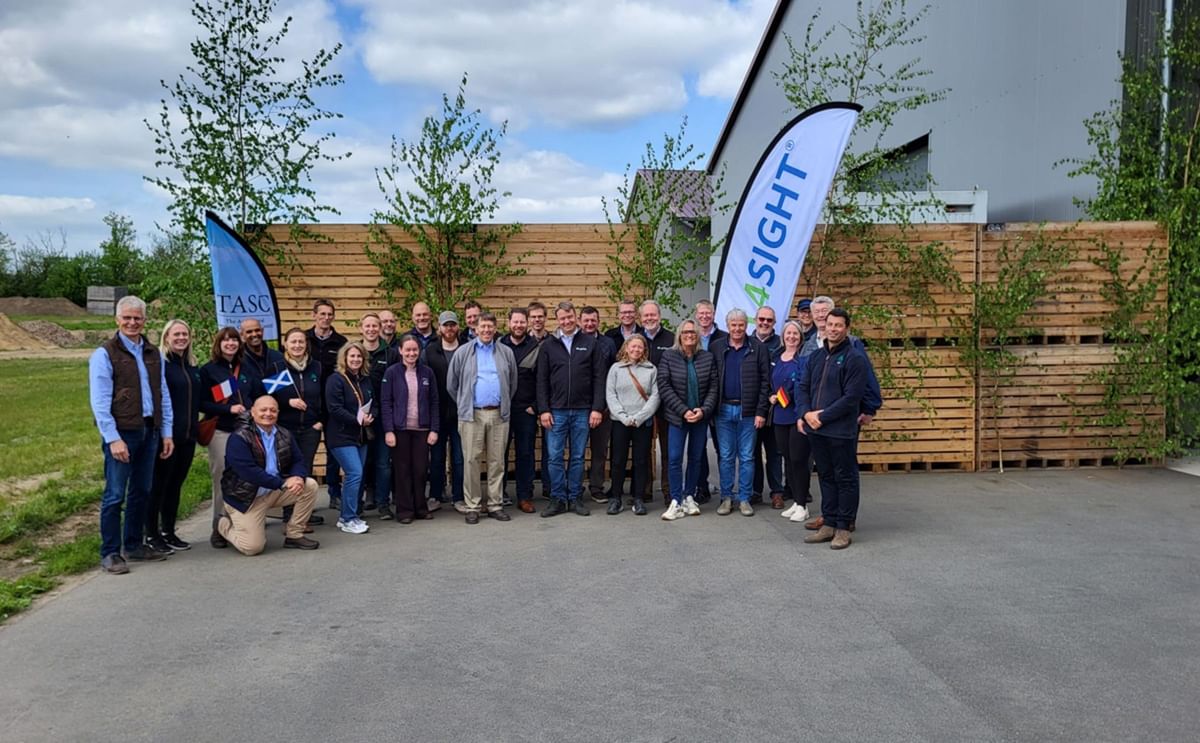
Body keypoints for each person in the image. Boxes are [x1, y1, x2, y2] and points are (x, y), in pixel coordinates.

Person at [89, 295, 175, 573]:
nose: (132, 322)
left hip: (149, 431)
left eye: (137, 318)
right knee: (115, 494)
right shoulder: (105, 354)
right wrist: (112, 438)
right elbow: (100, 402)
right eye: (127, 317)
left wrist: (166, 433)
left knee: (142, 490)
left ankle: (134, 545)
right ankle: (111, 553)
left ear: (144, 320)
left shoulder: (153, 354)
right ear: (117, 319)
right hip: (122, 434)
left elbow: (162, 395)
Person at [798, 309, 869, 550]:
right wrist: (806, 413)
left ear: (847, 328)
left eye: (839, 325)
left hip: (840, 430)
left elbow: (852, 398)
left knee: (845, 478)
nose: (834, 329)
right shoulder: (816, 357)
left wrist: (823, 417)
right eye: (830, 324)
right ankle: (828, 523)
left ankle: (843, 527)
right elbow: (803, 387)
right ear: (824, 327)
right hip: (817, 430)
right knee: (826, 477)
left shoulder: (855, 358)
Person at [215, 395, 319, 554]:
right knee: (252, 548)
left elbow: (298, 460)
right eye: (263, 410)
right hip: (245, 497)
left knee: (309, 485)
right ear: (253, 412)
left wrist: (297, 477)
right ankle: (222, 524)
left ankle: (294, 534)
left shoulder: (284, 434)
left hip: (272, 491)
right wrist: (283, 483)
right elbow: (247, 471)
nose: (268, 414)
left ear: (278, 413)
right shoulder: (239, 437)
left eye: (273, 410)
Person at [537, 301, 606, 517]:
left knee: (577, 456)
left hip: (583, 410)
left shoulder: (590, 342)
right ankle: (557, 498)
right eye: (562, 318)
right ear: (557, 320)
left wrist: (597, 408)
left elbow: (599, 378)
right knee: (555, 456)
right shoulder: (548, 345)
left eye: (570, 317)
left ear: (575, 317)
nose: (566, 321)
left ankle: (575, 497)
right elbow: (541, 380)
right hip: (555, 411)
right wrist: (544, 410)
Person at [448, 312, 518, 523]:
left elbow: (512, 383)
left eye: (490, 327)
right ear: (475, 329)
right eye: (483, 327)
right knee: (471, 460)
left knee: (497, 461)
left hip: (498, 413)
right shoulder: (463, 352)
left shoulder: (505, 352)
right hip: (472, 414)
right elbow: (452, 384)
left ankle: (495, 504)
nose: (486, 330)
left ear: (495, 329)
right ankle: (473, 505)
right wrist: (465, 402)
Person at [201, 326, 260, 548]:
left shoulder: (246, 369)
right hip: (222, 430)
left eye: (234, 340)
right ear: (219, 344)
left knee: (245, 477)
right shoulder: (208, 371)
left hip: (246, 431)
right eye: (226, 341)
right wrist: (228, 409)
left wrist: (254, 408)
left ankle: (240, 524)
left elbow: (256, 393)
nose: (230, 344)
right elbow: (202, 403)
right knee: (222, 478)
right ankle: (218, 526)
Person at [145, 318, 200, 554]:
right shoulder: (161, 364)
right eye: (176, 335)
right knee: (159, 485)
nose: (180, 338)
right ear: (166, 337)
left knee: (175, 485)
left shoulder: (192, 366)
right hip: (167, 437)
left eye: (184, 335)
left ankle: (168, 530)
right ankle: (151, 534)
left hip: (188, 437)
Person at [709, 308, 770, 517]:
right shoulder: (717, 347)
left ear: (747, 325)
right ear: (727, 326)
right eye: (733, 325)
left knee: (746, 457)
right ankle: (726, 498)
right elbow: (712, 378)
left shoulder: (758, 348)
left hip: (749, 411)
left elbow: (765, 382)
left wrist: (761, 411)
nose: (737, 328)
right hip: (723, 410)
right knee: (725, 456)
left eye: (741, 325)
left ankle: (744, 498)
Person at [656, 318, 719, 521]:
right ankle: (676, 499)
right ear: (679, 335)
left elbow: (713, 388)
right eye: (685, 332)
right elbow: (664, 386)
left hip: (700, 417)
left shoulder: (707, 358)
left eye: (693, 332)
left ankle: (690, 496)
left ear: (698, 335)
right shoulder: (669, 356)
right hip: (677, 417)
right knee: (674, 458)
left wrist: (703, 410)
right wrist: (683, 411)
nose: (689, 335)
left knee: (696, 458)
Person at [381, 334, 439, 523]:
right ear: (400, 351)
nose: (411, 353)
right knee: (402, 470)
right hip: (400, 430)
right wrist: (389, 430)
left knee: (421, 470)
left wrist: (434, 429)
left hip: (422, 430)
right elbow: (386, 402)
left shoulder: (427, 373)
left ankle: (420, 508)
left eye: (414, 349)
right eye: (408, 350)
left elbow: (434, 402)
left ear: (419, 351)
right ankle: (404, 511)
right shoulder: (392, 372)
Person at [273, 326, 325, 530]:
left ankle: (304, 513)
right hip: (286, 428)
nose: (297, 345)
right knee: (288, 470)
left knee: (306, 469)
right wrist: (288, 403)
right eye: (293, 341)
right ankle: (289, 515)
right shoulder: (278, 368)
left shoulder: (317, 368)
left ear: (306, 345)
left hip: (310, 428)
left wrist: (320, 420)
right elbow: (270, 398)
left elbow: (323, 396)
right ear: (286, 344)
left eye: (301, 342)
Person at [605, 335, 660, 515]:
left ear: (644, 350)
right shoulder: (616, 369)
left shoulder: (651, 369)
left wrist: (639, 417)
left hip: (642, 423)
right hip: (620, 422)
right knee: (618, 461)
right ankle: (616, 497)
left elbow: (655, 397)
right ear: (626, 348)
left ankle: (638, 498)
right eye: (633, 347)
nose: (636, 350)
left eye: (640, 347)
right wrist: (623, 416)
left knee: (641, 461)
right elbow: (610, 395)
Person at [325, 341, 374, 534]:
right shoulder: (336, 380)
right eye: (352, 356)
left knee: (356, 476)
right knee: (354, 473)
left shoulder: (365, 380)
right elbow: (334, 408)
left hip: (360, 436)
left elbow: (373, 402)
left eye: (359, 356)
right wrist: (358, 420)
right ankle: (348, 518)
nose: (355, 359)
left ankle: (348, 515)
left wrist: (372, 416)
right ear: (344, 358)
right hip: (341, 436)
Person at [306, 299, 347, 511]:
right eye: (322, 314)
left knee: (333, 452)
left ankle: (334, 492)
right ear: (314, 315)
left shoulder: (341, 342)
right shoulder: (304, 339)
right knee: (306, 453)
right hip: (309, 406)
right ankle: (304, 498)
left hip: (332, 406)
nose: (326, 318)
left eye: (329, 314)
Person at [771, 321, 813, 523]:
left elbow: (804, 387)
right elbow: (771, 384)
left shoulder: (803, 360)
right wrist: (772, 396)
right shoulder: (775, 358)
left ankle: (803, 503)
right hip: (779, 416)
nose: (792, 337)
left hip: (797, 416)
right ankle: (796, 501)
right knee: (787, 459)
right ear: (783, 335)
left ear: (800, 336)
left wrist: (801, 414)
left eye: (795, 333)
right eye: (788, 333)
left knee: (799, 460)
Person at [423, 311, 465, 512]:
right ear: (439, 328)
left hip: (460, 413)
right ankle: (435, 495)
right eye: (445, 325)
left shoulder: (466, 350)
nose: (449, 329)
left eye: (453, 325)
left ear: (457, 327)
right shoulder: (430, 351)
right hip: (437, 414)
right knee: (437, 458)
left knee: (459, 457)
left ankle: (459, 496)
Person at [500, 307, 540, 513]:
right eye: (515, 322)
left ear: (527, 323)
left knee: (525, 453)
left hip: (526, 410)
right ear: (508, 323)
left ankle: (524, 496)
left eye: (522, 322)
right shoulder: (498, 345)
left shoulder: (536, 347)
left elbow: (542, 379)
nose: (518, 325)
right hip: (502, 410)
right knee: (500, 453)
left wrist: (536, 406)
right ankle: (500, 494)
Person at [361, 312, 398, 517]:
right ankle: (369, 495)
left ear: (380, 328)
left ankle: (384, 502)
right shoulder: (355, 351)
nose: (372, 330)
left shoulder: (390, 353)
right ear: (361, 328)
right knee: (365, 459)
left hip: (384, 416)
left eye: (375, 326)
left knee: (384, 461)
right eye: (368, 326)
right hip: (362, 416)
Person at [639, 300, 674, 504]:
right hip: (642, 404)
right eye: (646, 316)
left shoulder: (670, 339)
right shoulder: (636, 339)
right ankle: (644, 491)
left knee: (668, 450)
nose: (650, 319)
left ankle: (668, 491)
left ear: (659, 316)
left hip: (667, 404)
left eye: (653, 315)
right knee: (643, 449)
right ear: (641, 318)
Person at [581, 306, 617, 504]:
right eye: (585, 320)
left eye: (592, 320)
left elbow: (614, 373)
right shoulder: (574, 342)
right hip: (577, 407)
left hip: (602, 406)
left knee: (600, 449)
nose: (589, 324)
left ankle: (596, 486)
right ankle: (575, 487)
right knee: (577, 450)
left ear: (598, 321)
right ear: (580, 321)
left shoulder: (608, 343)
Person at [693, 299, 728, 503]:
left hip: (718, 400)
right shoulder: (691, 336)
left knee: (722, 448)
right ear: (696, 315)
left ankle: (726, 490)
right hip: (697, 400)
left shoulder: (723, 337)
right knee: (698, 448)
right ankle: (702, 487)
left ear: (714, 315)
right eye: (701, 313)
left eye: (708, 313)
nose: (705, 316)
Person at [751, 305, 785, 507]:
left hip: (775, 407)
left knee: (774, 452)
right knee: (752, 452)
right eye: (761, 319)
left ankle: (777, 491)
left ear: (774, 323)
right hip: (753, 407)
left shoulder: (781, 344)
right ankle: (755, 491)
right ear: (755, 320)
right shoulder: (747, 342)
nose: (764, 323)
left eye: (769, 320)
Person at [239, 317, 284, 391]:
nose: (254, 334)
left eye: (257, 330)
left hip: (277, 401)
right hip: (249, 402)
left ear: (262, 331)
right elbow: (228, 391)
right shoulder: (238, 360)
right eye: (249, 332)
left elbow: (285, 387)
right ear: (242, 335)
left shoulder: (278, 357)